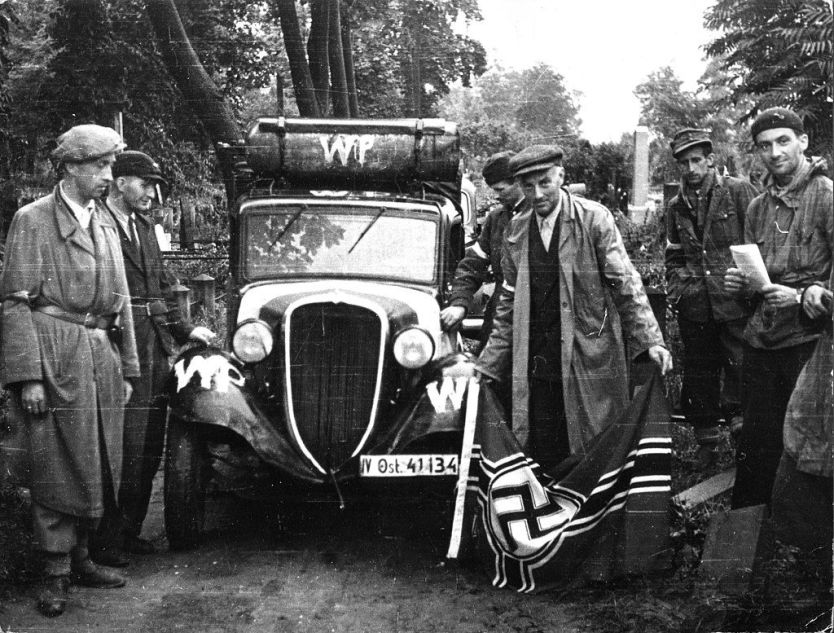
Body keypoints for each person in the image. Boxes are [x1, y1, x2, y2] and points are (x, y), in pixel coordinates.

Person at [0, 124, 140, 617]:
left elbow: (120, 300)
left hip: (100, 354)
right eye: (99, 166)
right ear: (71, 168)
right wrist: (28, 377)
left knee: (98, 458)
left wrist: (126, 367)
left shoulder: (104, 220)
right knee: (56, 463)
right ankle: (53, 572)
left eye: (110, 165)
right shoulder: (33, 220)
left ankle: (82, 557)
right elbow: (15, 303)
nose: (108, 175)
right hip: (55, 354)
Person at [467, 145, 672, 470]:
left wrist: (651, 341)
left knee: (592, 446)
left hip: (587, 359)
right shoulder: (518, 231)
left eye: (545, 182)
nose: (538, 193)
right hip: (537, 362)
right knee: (541, 444)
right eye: (528, 185)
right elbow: (508, 305)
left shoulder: (593, 220)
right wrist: (487, 364)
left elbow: (626, 284)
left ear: (561, 176)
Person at [92, 151, 215, 566]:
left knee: (147, 443)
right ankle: (104, 540)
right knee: (120, 442)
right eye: (145, 184)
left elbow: (162, 282)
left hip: (153, 343)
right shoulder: (97, 224)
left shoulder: (142, 225)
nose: (151, 193)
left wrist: (186, 328)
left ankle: (129, 531)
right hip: (117, 341)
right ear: (121, 182)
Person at [724, 107, 832, 509]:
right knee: (756, 444)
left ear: (803, 142)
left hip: (810, 347)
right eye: (765, 146)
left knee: (811, 445)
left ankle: (808, 549)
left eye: (783, 141)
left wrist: (805, 296)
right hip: (763, 343)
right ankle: (749, 543)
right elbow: (754, 286)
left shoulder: (826, 197)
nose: (774, 152)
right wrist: (740, 286)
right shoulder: (757, 208)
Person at [664, 128, 758, 469]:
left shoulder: (737, 192)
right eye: (684, 163)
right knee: (699, 377)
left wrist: (750, 286)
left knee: (740, 373)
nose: (691, 169)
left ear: (710, 160)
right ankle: (708, 449)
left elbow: (758, 241)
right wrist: (680, 289)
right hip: (696, 306)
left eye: (696, 160)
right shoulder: (676, 205)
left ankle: (744, 451)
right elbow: (673, 253)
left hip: (735, 303)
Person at [440, 150, 526, 346]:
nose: (496, 197)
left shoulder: (539, 215)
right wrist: (459, 304)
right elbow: (472, 265)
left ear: (519, 182)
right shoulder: (496, 219)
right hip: (498, 319)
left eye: (500, 190)